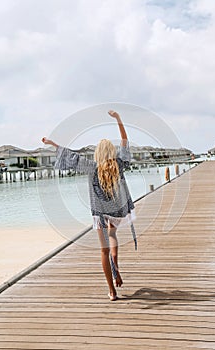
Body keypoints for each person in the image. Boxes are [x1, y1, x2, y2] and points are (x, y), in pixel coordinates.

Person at [42, 111, 136, 301]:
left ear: (98, 153)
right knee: (113, 235)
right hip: (117, 210)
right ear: (111, 151)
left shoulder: (90, 166)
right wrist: (119, 119)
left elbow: (70, 156)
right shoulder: (119, 163)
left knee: (103, 249)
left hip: (99, 213)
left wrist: (53, 145)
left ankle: (111, 291)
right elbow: (125, 141)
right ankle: (116, 268)